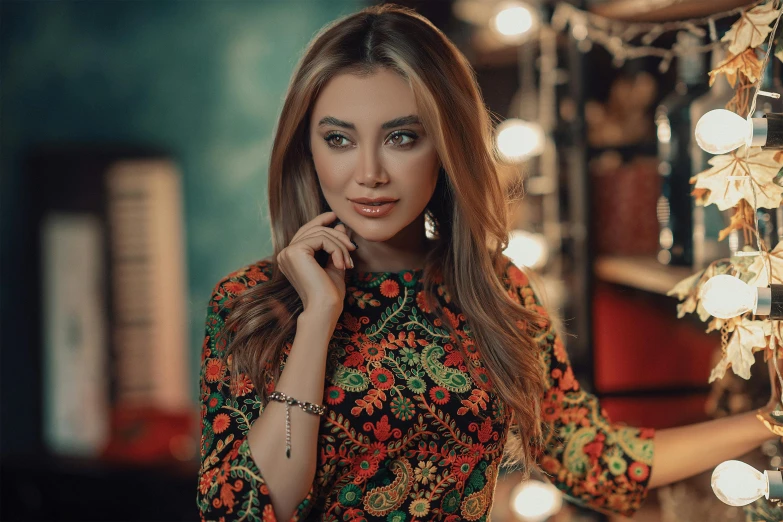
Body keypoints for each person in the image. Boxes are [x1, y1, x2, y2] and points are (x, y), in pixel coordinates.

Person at [196, 4, 783, 521]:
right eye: (340, 139)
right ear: (307, 147)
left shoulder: (496, 292)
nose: (369, 172)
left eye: (402, 137)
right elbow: (254, 506)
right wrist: (318, 319)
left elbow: (595, 460)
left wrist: (769, 422)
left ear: (446, 144)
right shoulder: (251, 303)